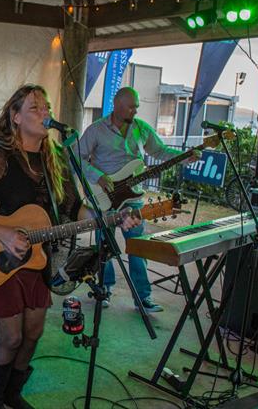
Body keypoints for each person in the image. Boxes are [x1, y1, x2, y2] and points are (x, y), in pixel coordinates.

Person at [0, 85, 138, 408]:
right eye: (34, 108)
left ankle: (12, 395)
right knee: (11, 337)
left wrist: (111, 217)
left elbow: (75, 210)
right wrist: (3, 233)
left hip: (35, 259)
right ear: (15, 117)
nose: (44, 112)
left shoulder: (57, 159)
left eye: (46, 106)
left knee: (33, 334)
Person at [79, 86, 199, 312]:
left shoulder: (142, 129)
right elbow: (77, 157)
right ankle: (104, 290)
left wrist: (185, 157)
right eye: (131, 106)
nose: (135, 110)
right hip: (104, 197)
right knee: (105, 247)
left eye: (136, 107)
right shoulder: (96, 130)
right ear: (117, 104)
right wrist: (99, 176)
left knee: (138, 247)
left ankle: (142, 298)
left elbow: (161, 152)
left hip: (133, 198)